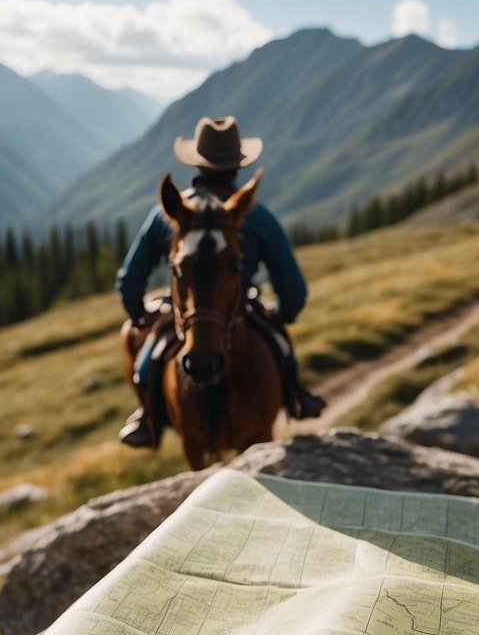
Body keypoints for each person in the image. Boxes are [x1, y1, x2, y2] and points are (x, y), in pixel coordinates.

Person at [115, 115, 326, 448]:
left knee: (148, 363)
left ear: (198, 163)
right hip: (240, 305)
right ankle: (297, 394)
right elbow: (293, 290)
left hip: (182, 309)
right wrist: (281, 315)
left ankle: (148, 417)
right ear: (237, 166)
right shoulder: (257, 217)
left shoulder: (166, 214)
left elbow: (130, 279)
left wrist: (139, 314)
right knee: (281, 349)